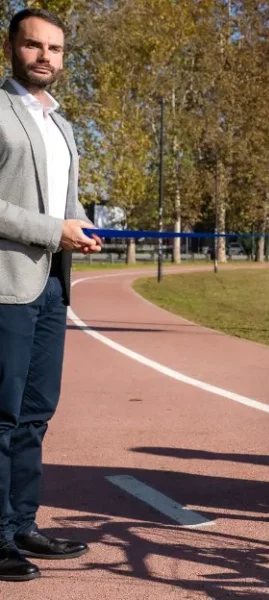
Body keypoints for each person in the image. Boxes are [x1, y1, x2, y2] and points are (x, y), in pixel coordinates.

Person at [0, 8, 101, 583]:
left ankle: (21, 525)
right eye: (35, 46)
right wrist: (50, 230)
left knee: (37, 413)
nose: (46, 57)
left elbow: (66, 201)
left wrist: (79, 227)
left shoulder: (63, 125)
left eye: (56, 49)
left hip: (53, 285)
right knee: (3, 414)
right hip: (8, 283)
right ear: (13, 48)